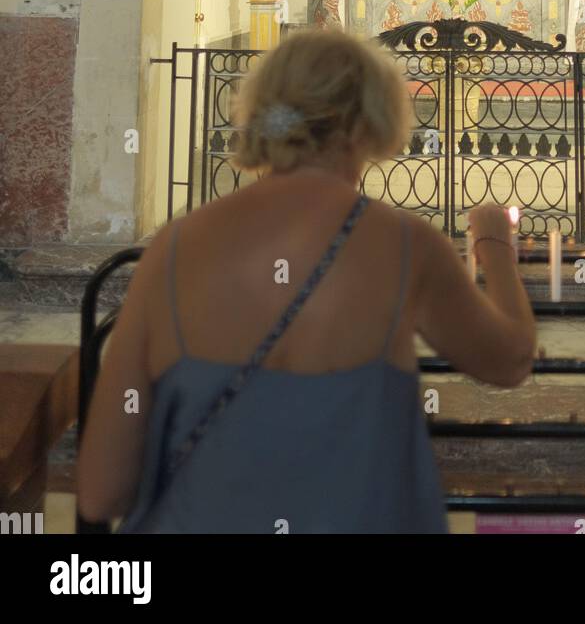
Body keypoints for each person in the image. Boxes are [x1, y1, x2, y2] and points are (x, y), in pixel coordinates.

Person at [77, 28, 536, 534]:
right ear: (369, 122)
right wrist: (494, 246)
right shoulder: (405, 245)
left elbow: (102, 489)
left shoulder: (173, 248)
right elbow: (510, 359)